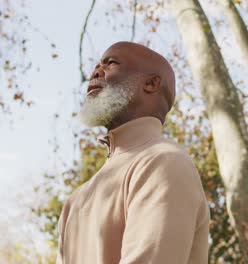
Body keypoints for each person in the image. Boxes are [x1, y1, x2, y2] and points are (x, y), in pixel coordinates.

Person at [56, 41, 210, 264]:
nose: (95, 71)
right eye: (97, 64)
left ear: (151, 83)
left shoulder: (163, 162)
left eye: (111, 63)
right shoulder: (75, 201)